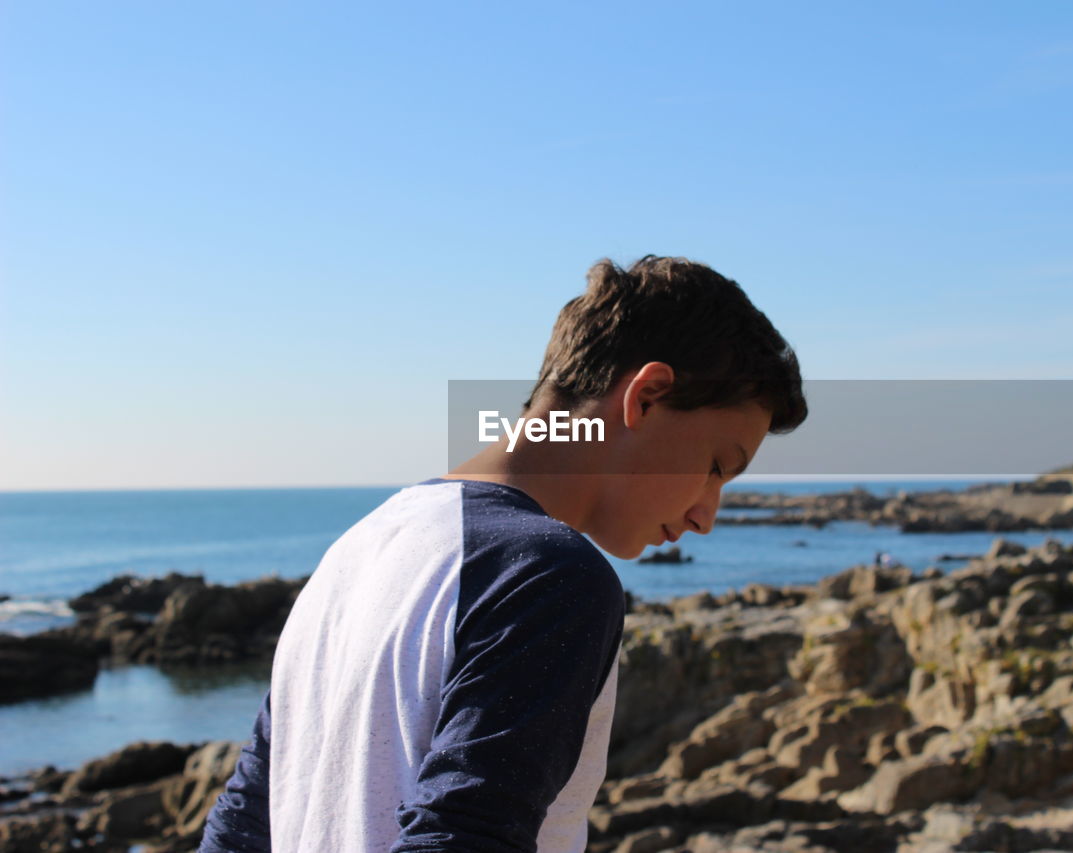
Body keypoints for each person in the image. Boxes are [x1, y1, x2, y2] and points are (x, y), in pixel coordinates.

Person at [198, 255, 808, 852]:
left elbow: (247, 818)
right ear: (646, 397)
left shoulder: (356, 551)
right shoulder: (547, 574)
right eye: (717, 466)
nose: (707, 515)